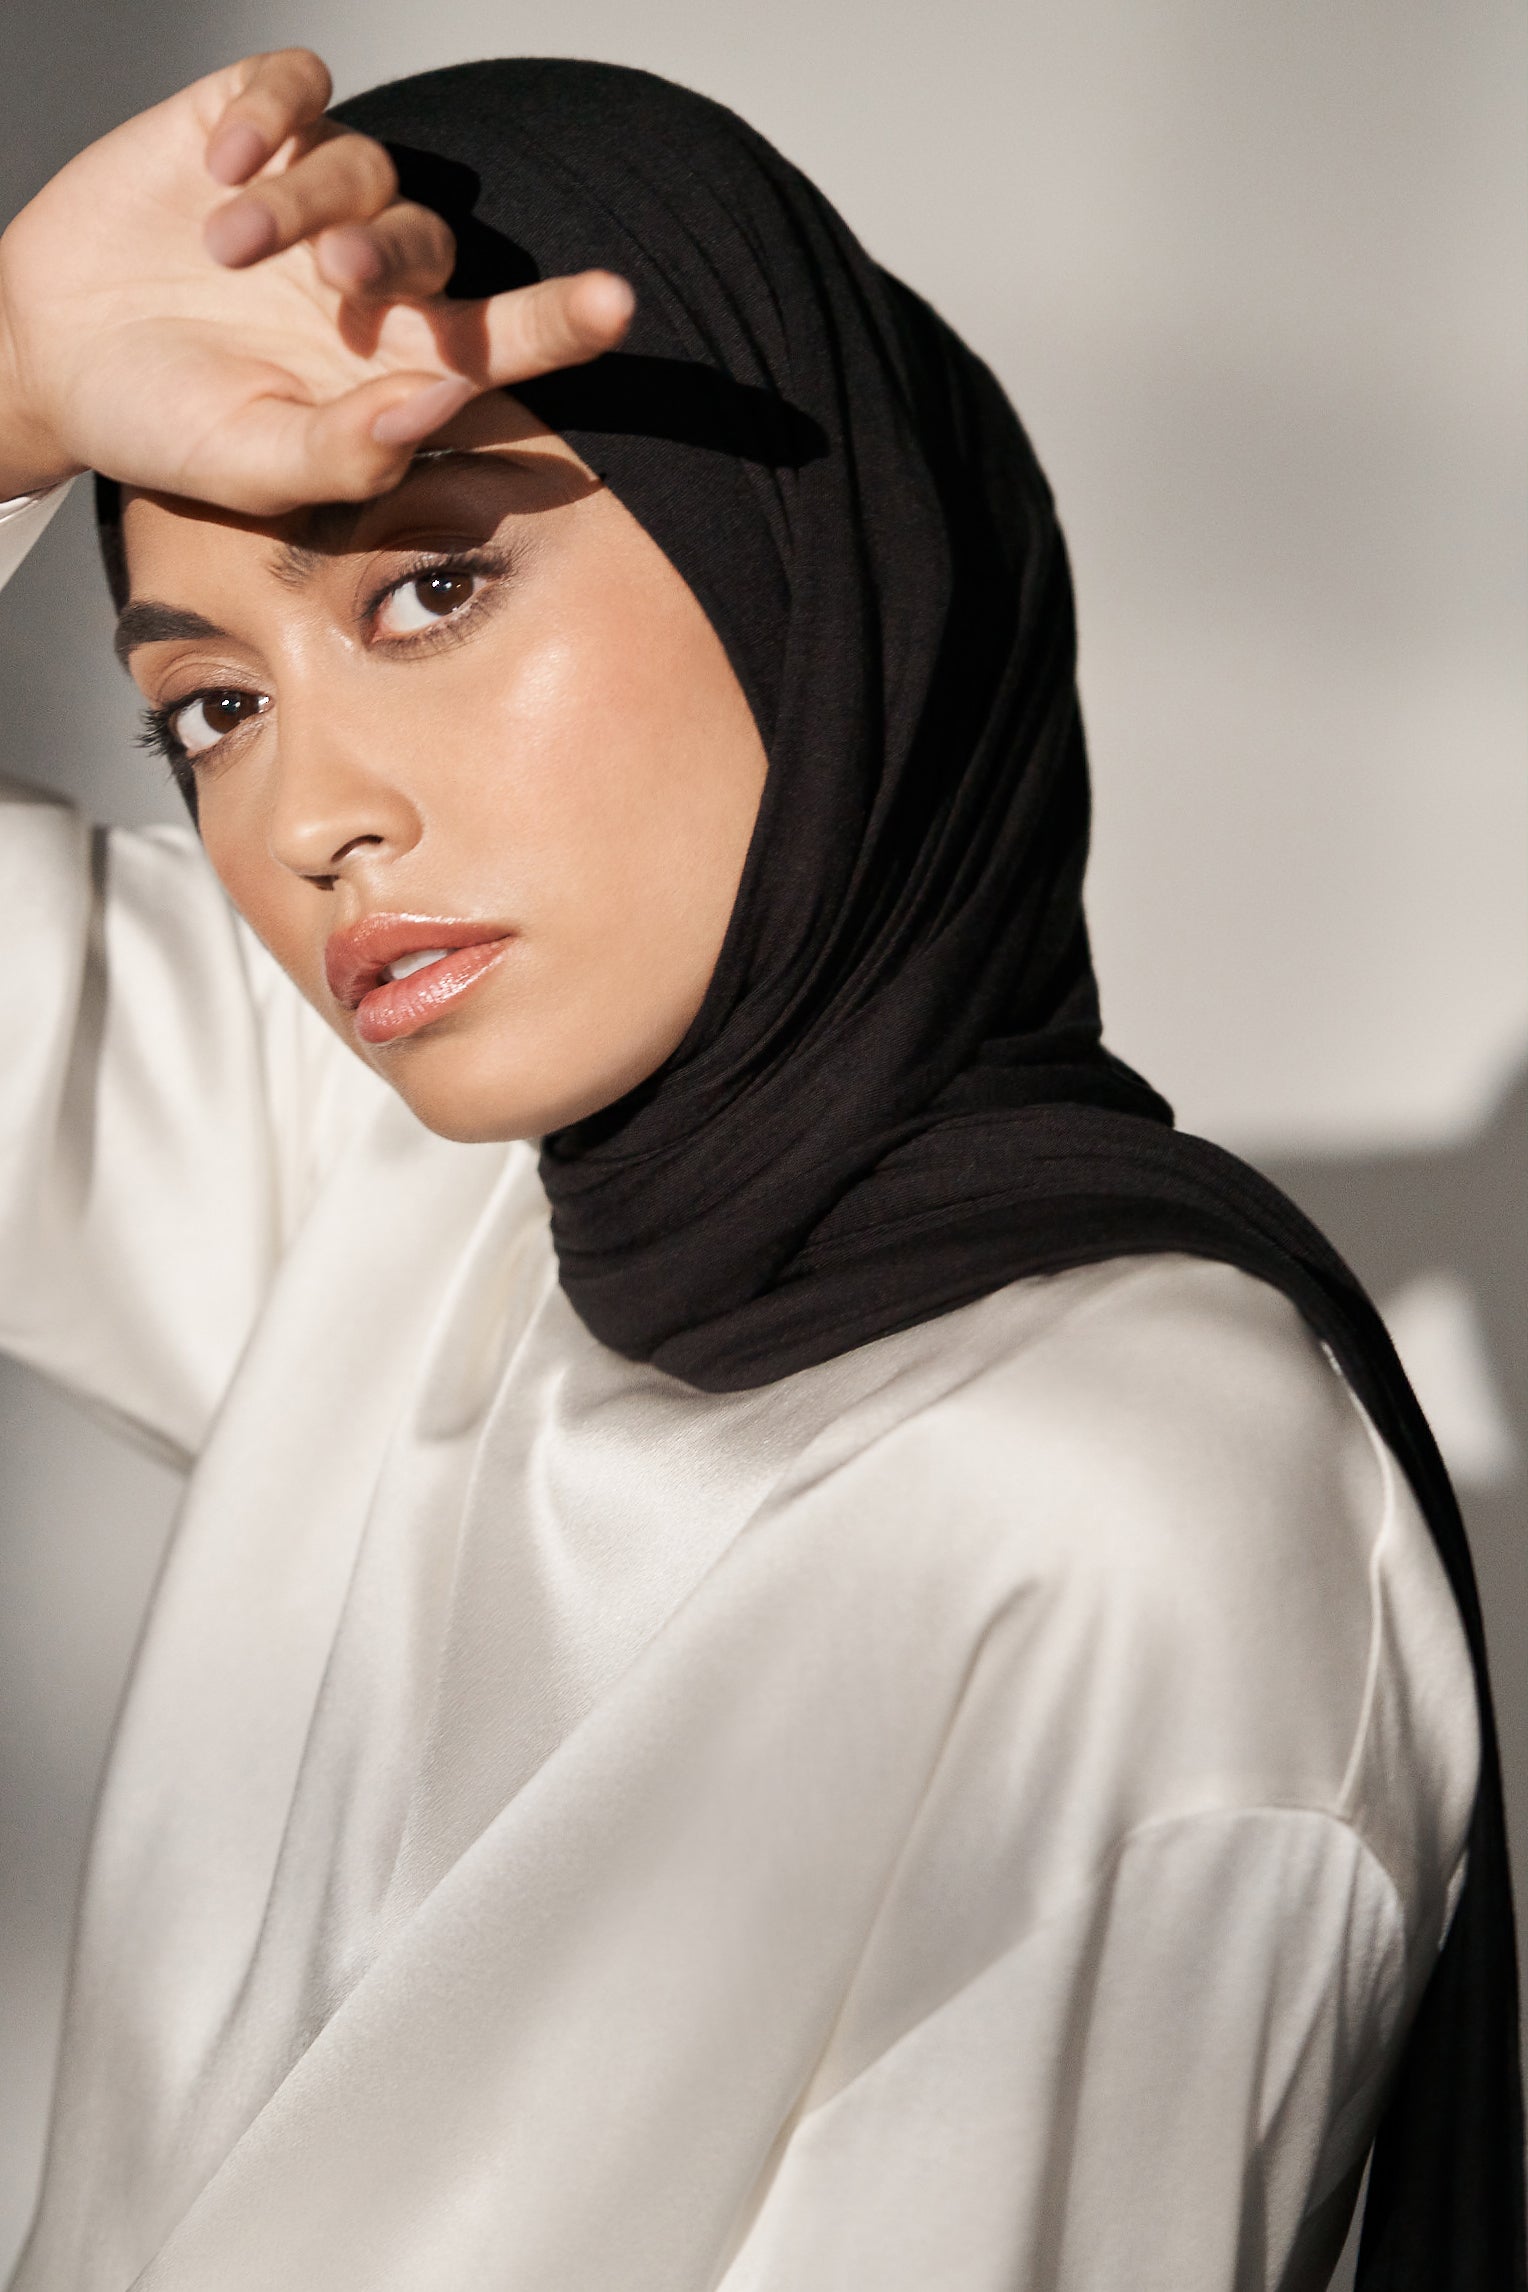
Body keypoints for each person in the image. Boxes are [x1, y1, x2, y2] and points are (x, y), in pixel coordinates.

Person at [0, 47, 1518, 2292]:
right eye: (211, 706)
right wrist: (10, 380)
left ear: (794, 571)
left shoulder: (1124, 1513)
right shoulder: (416, 1197)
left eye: (427, 593)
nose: (308, 816)